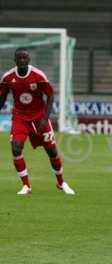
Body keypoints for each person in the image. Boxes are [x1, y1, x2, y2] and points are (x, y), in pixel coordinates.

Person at [0, 48, 75, 195]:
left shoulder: (38, 75)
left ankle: (61, 183)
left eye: (25, 58)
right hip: (20, 118)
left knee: (51, 151)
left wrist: (45, 119)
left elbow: (50, 96)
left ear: (29, 60)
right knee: (16, 148)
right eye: (19, 58)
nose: (22, 60)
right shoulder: (8, 77)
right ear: (15, 60)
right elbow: (2, 99)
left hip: (39, 117)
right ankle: (26, 186)